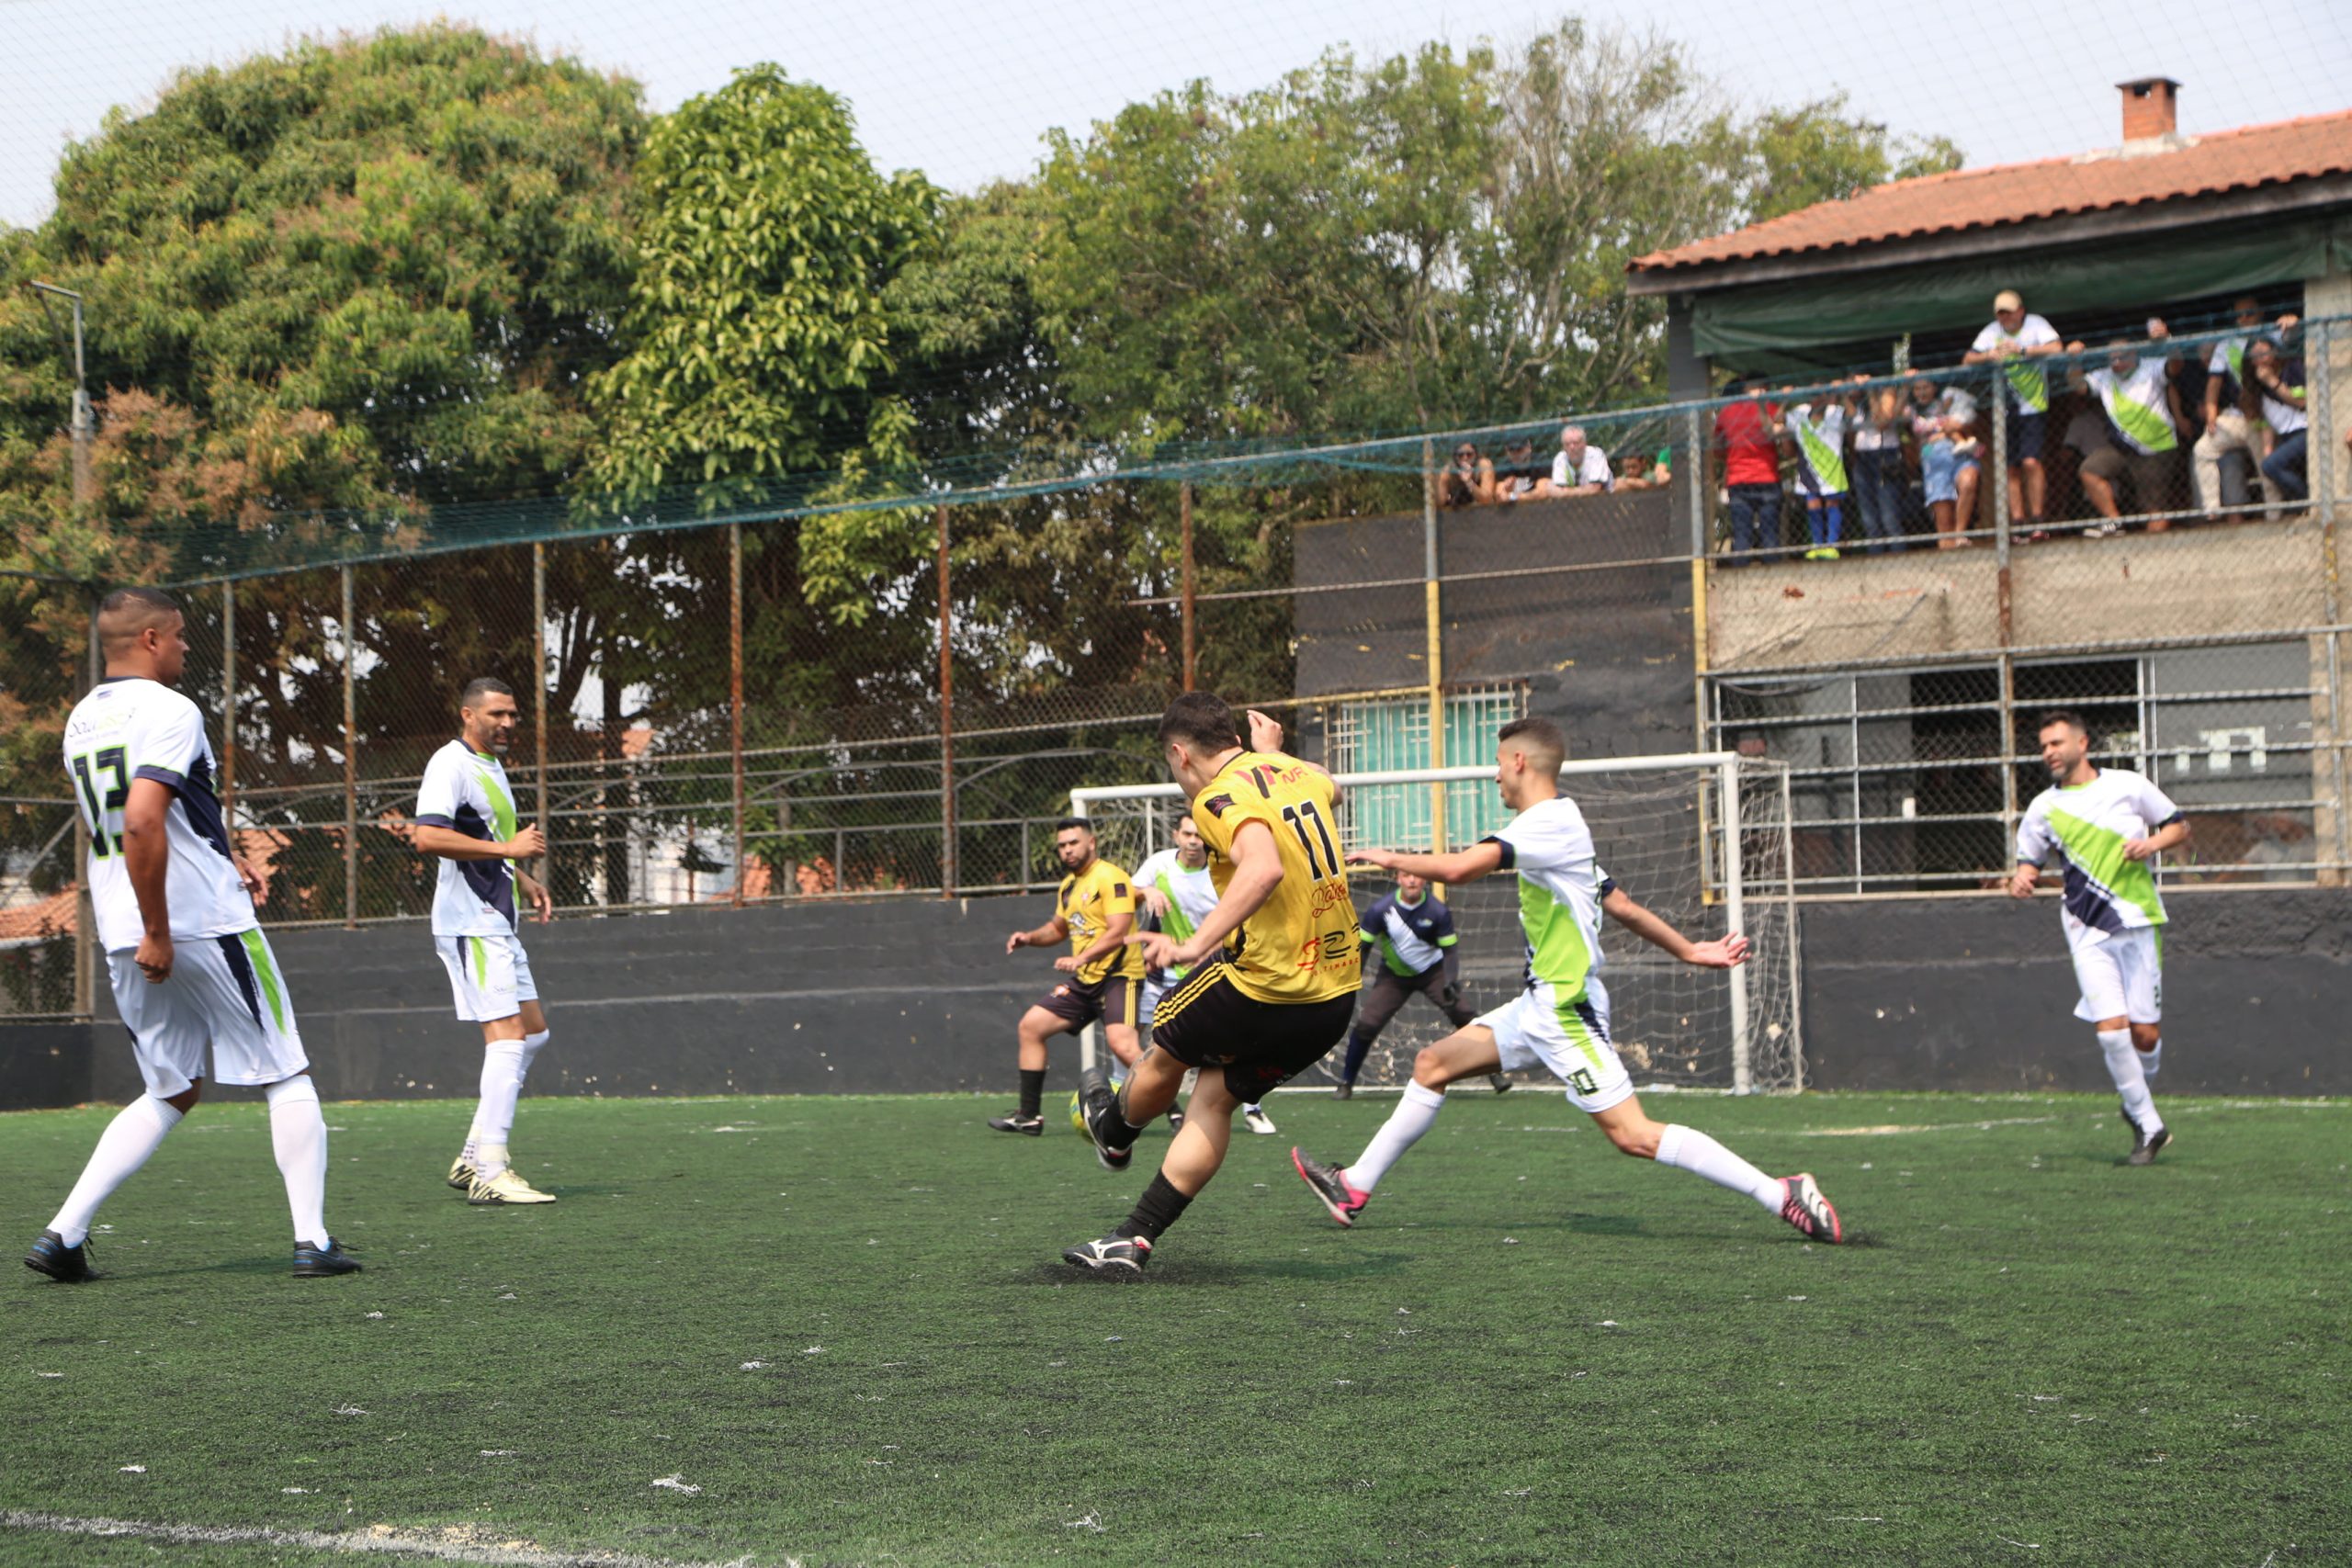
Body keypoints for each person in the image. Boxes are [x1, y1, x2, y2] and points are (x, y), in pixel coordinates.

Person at [1290, 716, 1843, 1245]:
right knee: (1432, 1063)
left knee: (1633, 1135)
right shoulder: (1560, 824)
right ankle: (1354, 1185)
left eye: (1499, 764)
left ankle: (1780, 1192)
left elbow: (1460, 869)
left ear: (1520, 761)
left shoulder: (1547, 824)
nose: (1494, 775)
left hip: (1564, 1011)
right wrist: (1690, 950)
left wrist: (1384, 855)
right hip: (1538, 1007)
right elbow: (1620, 904)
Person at [25, 588, 357, 1282]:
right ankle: (313, 1240)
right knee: (284, 1069)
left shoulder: (82, 720)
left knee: (169, 1089)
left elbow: (124, 827)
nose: (184, 648)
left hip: (121, 922)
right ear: (149, 638)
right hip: (193, 922)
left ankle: (63, 1233)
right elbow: (145, 820)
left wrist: (173, 894)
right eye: (177, 637)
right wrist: (161, 929)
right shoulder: (173, 709)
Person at [1063, 698, 1359, 1272]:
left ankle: (1114, 1131)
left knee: (1165, 1042)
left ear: (1179, 752)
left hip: (1264, 985)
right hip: (1334, 997)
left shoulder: (1214, 797)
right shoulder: (1294, 773)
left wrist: (1196, 944)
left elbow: (1262, 867)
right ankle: (1134, 1239)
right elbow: (1333, 790)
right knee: (1214, 1097)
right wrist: (1275, 757)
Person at [2007, 710, 2189, 1165]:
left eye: (2057, 742)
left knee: (2143, 1036)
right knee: (2112, 1032)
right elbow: (2029, 861)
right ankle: (2148, 1123)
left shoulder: (2127, 786)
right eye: (2044, 744)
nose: (2049, 751)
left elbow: (2178, 825)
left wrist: (2151, 844)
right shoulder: (2042, 808)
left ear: (2083, 743)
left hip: (2139, 920)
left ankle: (2137, 1097)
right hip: (2085, 928)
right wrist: (2022, 879)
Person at [411, 678, 559, 1204]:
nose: (507, 723)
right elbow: (427, 836)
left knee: (533, 1033)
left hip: (496, 919)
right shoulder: (449, 762)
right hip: (469, 921)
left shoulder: (491, 767)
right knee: (508, 1037)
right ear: (468, 715)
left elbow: (486, 845)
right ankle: (490, 1169)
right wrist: (511, 850)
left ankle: (474, 1153)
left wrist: (522, 876)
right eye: (497, 713)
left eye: (513, 714)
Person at [994, 818, 1154, 1135]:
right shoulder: (1068, 886)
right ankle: (1029, 1116)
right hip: (1085, 981)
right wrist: (1029, 938)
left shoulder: (1111, 877)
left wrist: (1080, 957)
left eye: (1073, 843)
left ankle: (1175, 1111)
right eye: (1062, 845)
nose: (1067, 850)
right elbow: (1057, 929)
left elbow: (1119, 931)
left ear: (1091, 842)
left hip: (1119, 976)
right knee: (1031, 1027)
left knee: (1122, 1045)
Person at [1134, 815, 1274, 1135]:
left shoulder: (1220, 873)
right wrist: (1147, 893)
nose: (1194, 840)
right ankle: (1132, 1108)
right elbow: (1128, 893)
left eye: (1199, 835)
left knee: (1232, 1042)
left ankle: (1252, 1108)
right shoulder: (1158, 864)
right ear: (1176, 835)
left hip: (1208, 971)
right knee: (1131, 1037)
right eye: (1187, 834)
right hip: (1163, 973)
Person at [1333, 871, 1506, 1099]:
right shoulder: (1380, 910)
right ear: (1398, 879)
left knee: (1465, 1015)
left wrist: (1451, 979)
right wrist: (1353, 981)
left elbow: (1450, 951)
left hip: (1433, 974)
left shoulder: (1438, 911)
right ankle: (1346, 1082)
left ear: (1425, 880)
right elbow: (1363, 948)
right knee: (1366, 1025)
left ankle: (1495, 1073)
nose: (1412, 881)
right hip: (1393, 978)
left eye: (1417, 876)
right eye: (1406, 876)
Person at [2067, 324, 2185, 536]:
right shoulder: (2104, 376)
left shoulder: (2151, 367)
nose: (2117, 363)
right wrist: (2073, 360)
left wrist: (2167, 341)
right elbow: (2078, 386)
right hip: (2123, 447)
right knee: (2090, 470)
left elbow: (2175, 366)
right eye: (2112, 358)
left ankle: (2154, 556)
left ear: (2135, 354)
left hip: (2156, 446)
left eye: (2122, 357)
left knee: (2154, 510)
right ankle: (2115, 522)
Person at [1963, 289, 2064, 534]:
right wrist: (1989, 355)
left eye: (2009, 312)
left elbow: (2057, 348)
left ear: (2020, 311)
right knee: (2010, 467)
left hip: (2033, 404)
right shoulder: (1991, 331)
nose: (2005, 318)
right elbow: (1967, 359)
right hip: (2004, 408)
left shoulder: (2036, 324)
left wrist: (2024, 351)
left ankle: (2038, 519)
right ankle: (2018, 523)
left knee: (2031, 461)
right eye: (2001, 314)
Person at [2194, 299, 2295, 520]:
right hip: (2238, 415)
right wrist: (2211, 412)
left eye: (2249, 314)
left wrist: (2292, 323)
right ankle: (2212, 509)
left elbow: (2293, 339)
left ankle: (2274, 515)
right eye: (2239, 315)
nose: (2244, 319)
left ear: (2260, 313)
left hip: (2268, 414)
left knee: (2265, 465)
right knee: (2202, 450)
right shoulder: (2226, 344)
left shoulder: (2273, 333)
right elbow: (2213, 383)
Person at [1907, 377, 1983, 549]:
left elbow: (1967, 420)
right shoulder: (1912, 410)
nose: (1922, 392)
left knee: (1969, 482)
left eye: (1926, 387)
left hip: (1961, 453)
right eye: (1917, 389)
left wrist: (1943, 432)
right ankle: (1947, 550)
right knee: (1943, 514)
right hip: (1934, 460)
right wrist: (1904, 386)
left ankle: (1960, 534)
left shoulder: (1949, 403)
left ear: (1935, 387)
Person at [1712, 381, 1784, 560]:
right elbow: (1781, 439)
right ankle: (1774, 575)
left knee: (1741, 534)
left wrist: (1733, 453)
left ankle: (1740, 576)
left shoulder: (1726, 413)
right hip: (1767, 476)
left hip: (1739, 479)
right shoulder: (1771, 408)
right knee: (1770, 534)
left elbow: (1717, 449)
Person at [1783, 389, 1853, 560]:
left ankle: (1832, 545)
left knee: (1832, 503)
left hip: (1832, 467)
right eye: (1814, 395)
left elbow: (1852, 414)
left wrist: (1843, 393)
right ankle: (1817, 544)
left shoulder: (1835, 412)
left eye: (1823, 395)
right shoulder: (1799, 413)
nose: (1818, 399)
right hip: (1809, 468)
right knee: (1813, 505)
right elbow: (1778, 420)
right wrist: (1784, 400)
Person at [2245, 337, 2309, 502]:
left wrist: (2272, 381)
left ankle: (2307, 499)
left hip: (2305, 430)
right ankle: (2300, 502)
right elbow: (2266, 423)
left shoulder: (2292, 369)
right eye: (2255, 356)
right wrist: (2268, 449)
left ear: (2275, 352)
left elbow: (2301, 402)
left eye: (2264, 353)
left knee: (2271, 465)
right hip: (2286, 437)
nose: (2261, 359)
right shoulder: (2256, 389)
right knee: (2269, 464)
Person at [1848, 376, 1907, 554]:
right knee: (1868, 517)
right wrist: (1845, 394)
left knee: (1889, 515)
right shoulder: (1858, 405)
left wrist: (1871, 392)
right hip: (1862, 457)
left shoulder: (1885, 395)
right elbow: (1851, 425)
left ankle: (1899, 556)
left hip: (1884, 456)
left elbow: (1881, 422)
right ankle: (1876, 556)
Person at [1549, 424, 1613, 497]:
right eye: (1567, 444)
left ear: (1584, 443)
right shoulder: (1560, 458)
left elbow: (1594, 489)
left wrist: (1565, 492)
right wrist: (1583, 491)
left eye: (1576, 443)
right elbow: (1558, 491)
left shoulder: (1596, 455)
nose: (1572, 447)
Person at [1438, 442, 1496, 509]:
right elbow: (1440, 503)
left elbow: (1487, 498)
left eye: (1469, 454)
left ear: (1475, 455)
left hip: (1483, 508)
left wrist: (1469, 482)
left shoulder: (1483, 465)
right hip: (1457, 510)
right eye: (1460, 455)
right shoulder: (1448, 471)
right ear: (1455, 457)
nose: (1465, 458)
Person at [1492, 436, 1548, 503]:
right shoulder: (1503, 467)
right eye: (1511, 450)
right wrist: (1507, 489)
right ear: (1506, 451)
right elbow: (1500, 496)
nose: (1516, 454)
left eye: (1519, 449)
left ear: (1529, 448)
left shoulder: (1540, 463)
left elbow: (1543, 493)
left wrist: (1512, 496)